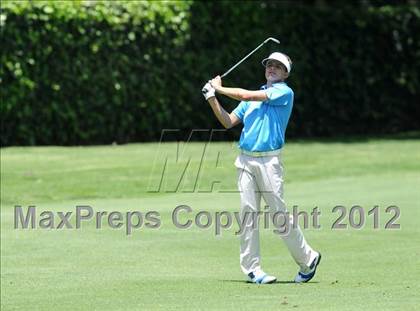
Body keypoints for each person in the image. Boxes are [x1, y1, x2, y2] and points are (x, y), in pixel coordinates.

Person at [202, 52, 321, 284]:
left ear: (286, 73)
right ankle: (252, 269)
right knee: (248, 214)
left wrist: (219, 88)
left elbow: (245, 94)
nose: (272, 68)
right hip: (245, 160)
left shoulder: (283, 92)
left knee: (279, 216)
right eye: (270, 65)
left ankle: (308, 259)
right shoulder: (251, 100)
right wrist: (211, 98)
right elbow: (228, 122)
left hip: (269, 162)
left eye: (279, 66)